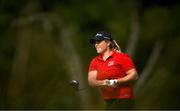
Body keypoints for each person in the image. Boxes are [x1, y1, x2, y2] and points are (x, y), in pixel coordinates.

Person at [88, 31, 138, 110]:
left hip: (124, 100)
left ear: (108, 43)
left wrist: (116, 81)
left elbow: (134, 75)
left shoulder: (121, 57)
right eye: (95, 42)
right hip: (108, 101)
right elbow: (91, 81)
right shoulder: (95, 61)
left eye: (99, 42)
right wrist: (103, 82)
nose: (96, 45)